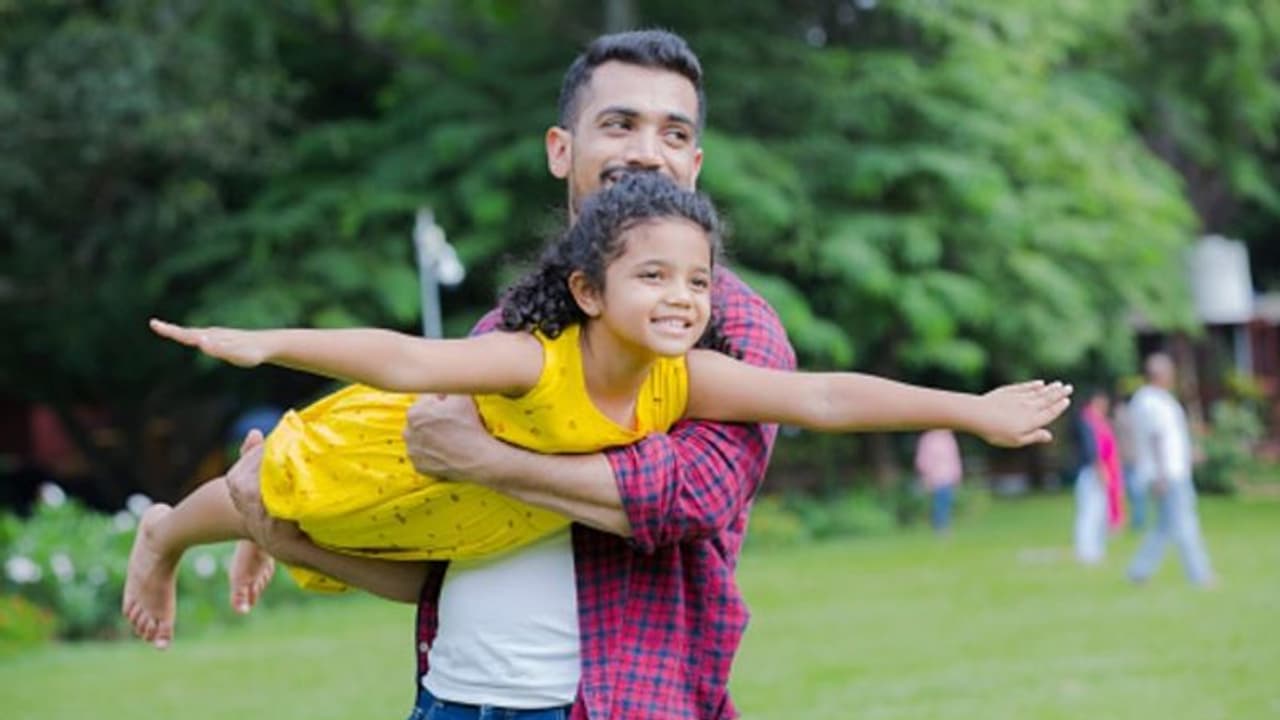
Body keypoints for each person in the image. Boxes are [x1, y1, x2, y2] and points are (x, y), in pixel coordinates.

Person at [214, 31, 1055, 719]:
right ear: (562, 149)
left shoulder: (720, 330)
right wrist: (287, 531)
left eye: (676, 133)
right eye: (619, 124)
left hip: (613, 700)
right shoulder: (507, 336)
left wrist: (972, 409)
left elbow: (692, 495)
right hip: (451, 695)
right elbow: (434, 540)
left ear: (696, 163)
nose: (648, 152)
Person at [125, 172, 1072, 645]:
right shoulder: (529, 361)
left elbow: (822, 394)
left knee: (289, 521)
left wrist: (973, 409)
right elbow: (405, 357)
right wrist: (268, 343)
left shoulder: (684, 378)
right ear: (587, 290)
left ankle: (258, 528)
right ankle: (167, 536)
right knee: (272, 485)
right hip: (385, 458)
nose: (682, 297)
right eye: (652, 275)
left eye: (697, 280)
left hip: (448, 519)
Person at [1126, 353, 1216, 587]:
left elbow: (1169, 437)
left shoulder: (1159, 399)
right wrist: (1163, 474)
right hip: (1168, 475)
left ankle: (1138, 571)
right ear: (1159, 375)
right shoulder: (1150, 401)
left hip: (1172, 471)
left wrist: (1189, 454)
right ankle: (1200, 575)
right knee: (1186, 524)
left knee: (1164, 527)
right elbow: (1156, 439)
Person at [1071, 388, 1125, 564]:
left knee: (1100, 512)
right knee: (1089, 512)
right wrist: (1100, 470)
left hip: (1101, 471)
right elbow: (1092, 450)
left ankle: (1096, 550)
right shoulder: (1087, 421)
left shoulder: (1100, 421)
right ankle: (1086, 551)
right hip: (1092, 472)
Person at [913, 429, 962, 534]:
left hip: (948, 476)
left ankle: (943, 527)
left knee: (945, 503)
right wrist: (927, 475)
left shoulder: (948, 437)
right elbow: (923, 460)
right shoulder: (928, 439)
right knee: (939, 504)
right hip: (935, 478)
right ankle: (940, 528)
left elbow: (953, 458)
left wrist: (956, 475)